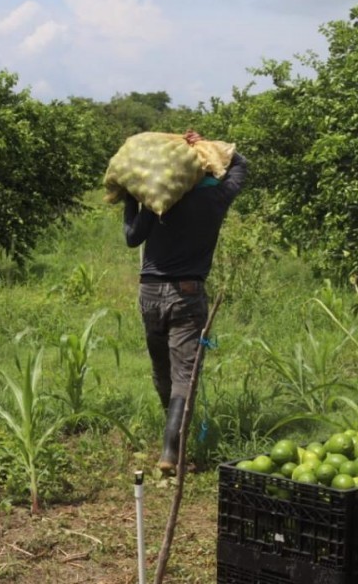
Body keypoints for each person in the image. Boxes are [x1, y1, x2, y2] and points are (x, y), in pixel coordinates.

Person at [123, 129, 247, 474]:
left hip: (149, 292)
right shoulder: (218, 197)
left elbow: (133, 238)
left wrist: (131, 197)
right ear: (203, 170)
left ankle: (171, 440)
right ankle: (170, 450)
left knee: (162, 368)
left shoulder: (159, 196)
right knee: (184, 375)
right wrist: (202, 143)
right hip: (188, 294)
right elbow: (241, 163)